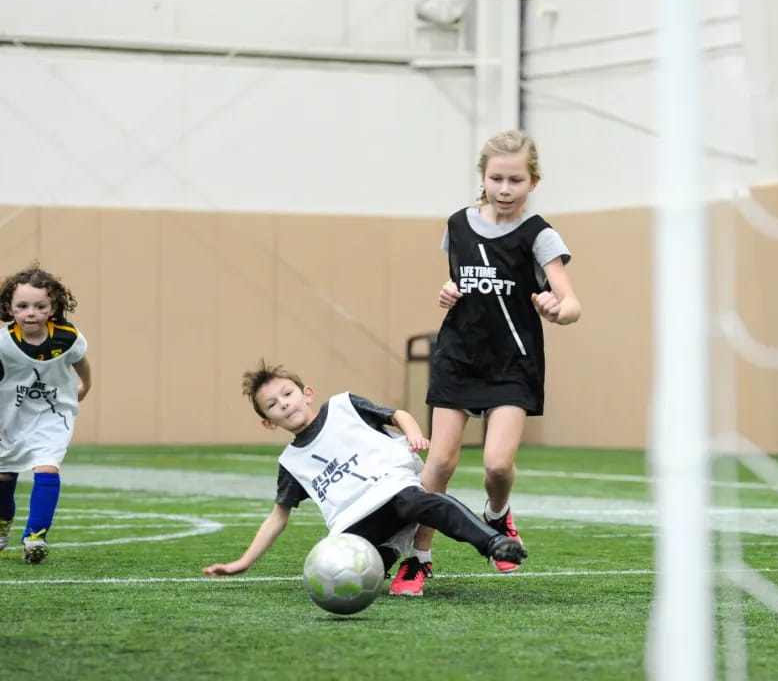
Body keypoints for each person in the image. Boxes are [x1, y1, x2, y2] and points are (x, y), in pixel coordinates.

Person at [389, 129, 581, 597]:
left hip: (512, 365)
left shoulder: (539, 234)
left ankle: (498, 515)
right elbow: (456, 284)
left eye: (516, 179)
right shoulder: (456, 225)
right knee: (439, 464)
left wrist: (558, 310)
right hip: (458, 357)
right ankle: (418, 558)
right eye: (497, 178)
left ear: (532, 182)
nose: (505, 188)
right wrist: (446, 292)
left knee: (497, 465)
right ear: (483, 177)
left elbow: (572, 303)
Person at [201, 360, 527, 590]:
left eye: (287, 394)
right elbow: (278, 517)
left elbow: (396, 414)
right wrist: (242, 562)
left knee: (426, 503)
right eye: (272, 405)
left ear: (307, 393)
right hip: (352, 524)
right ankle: (388, 554)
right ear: (268, 423)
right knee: (332, 566)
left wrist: (413, 434)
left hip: (394, 490)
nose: (284, 404)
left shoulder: (344, 406)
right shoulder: (291, 462)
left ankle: (495, 542)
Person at [0, 265, 92, 564]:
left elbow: (81, 362)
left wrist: (86, 384)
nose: (31, 313)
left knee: (47, 468)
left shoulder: (67, 336)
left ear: (53, 307)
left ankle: (35, 536)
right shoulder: (3, 342)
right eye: (22, 306)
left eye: (40, 306)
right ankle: (3, 524)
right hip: (11, 416)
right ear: (9, 308)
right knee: (4, 475)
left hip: (54, 414)